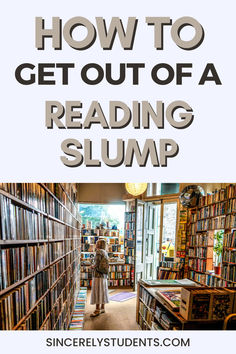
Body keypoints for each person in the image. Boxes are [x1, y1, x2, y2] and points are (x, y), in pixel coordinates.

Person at [90, 239, 109, 317]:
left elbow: (96, 264)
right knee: (103, 290)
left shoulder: (98, 252)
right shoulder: (105, 252)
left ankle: (97, 310)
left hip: (98, 275)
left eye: (97, 243)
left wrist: (92, 266)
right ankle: (102, 308)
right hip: (103, 275)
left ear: (99, 244)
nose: (95, 244)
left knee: (97, 291)